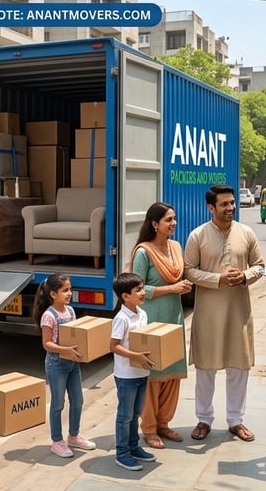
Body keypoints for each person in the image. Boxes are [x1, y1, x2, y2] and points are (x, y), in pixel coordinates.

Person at [184, 184, 265, 443]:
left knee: (238, 367)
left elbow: (260, 266)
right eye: (224, 204)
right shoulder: (198, 236)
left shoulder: (246, 232)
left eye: (232, 203)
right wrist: (217, 279)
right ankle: (204, 419)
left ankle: (235, 420)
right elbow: (188, 270)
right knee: (206, 368)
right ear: (211, 208)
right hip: (208, 314)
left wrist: (244, 276)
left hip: (239, 312)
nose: (231, 207)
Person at [129, 202, 193, 449]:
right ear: (154, 224)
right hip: (152, 319)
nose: (173, 223)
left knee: (172, 373)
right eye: (168, 220)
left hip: (173, 317)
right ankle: (149, 428)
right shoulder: (143, 252)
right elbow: (137, 289)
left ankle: (164, 423)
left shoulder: (175, 247)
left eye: (174, 218)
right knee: (153, 376)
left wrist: (183, 287)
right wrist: (172, 288)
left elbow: (182, 275)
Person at [31, 273, 97, 458]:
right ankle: (57, 441)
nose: (69, 293)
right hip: (56, 364)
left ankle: (73, 436)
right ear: (53, 294)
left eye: (70, 289)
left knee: (77, 400)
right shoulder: (48, 316)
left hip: (73, 364)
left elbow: (74, 335)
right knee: (58, 404)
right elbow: (46, 344)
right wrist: (65, 350)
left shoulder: (71, 311)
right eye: (65, 290)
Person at [109, 272, 156, 471]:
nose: (143, 293)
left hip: (141, 373)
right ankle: (122, 453)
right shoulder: (121, 318)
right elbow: (114, 346)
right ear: (125, 296)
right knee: (125, 416)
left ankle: (134, 447)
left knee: (136, 413)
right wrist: (135, 356)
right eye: (138, 290)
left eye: (142, 288)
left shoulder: (142, 314)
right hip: (126, 376)